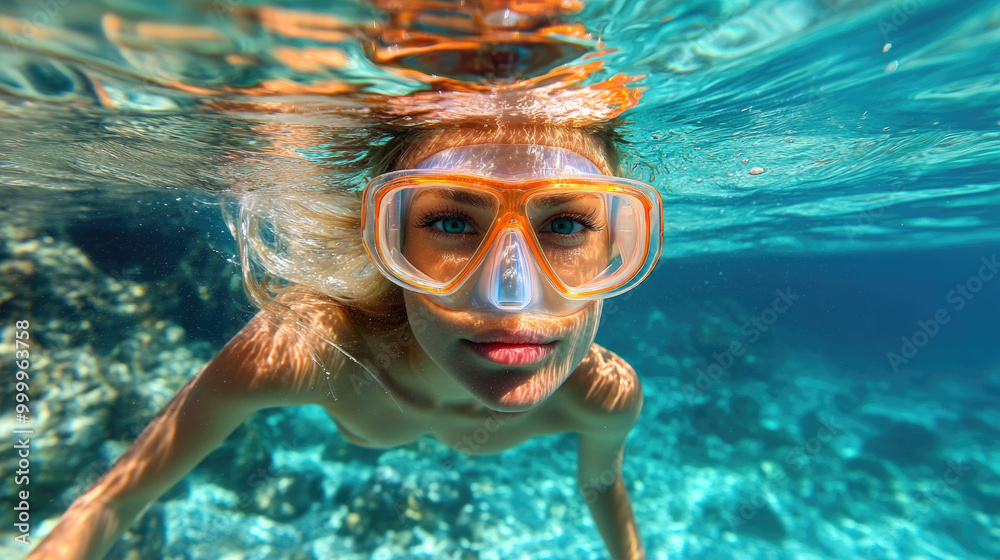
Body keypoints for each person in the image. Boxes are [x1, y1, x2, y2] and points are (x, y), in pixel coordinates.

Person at [26, 122, 663, 560]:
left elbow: (602, 485)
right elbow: (114, 501)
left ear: (616, 245)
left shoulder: (606, 397)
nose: (511, 295)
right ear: (384, 244)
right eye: (448, 221)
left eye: (568, 224)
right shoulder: (308, 347)